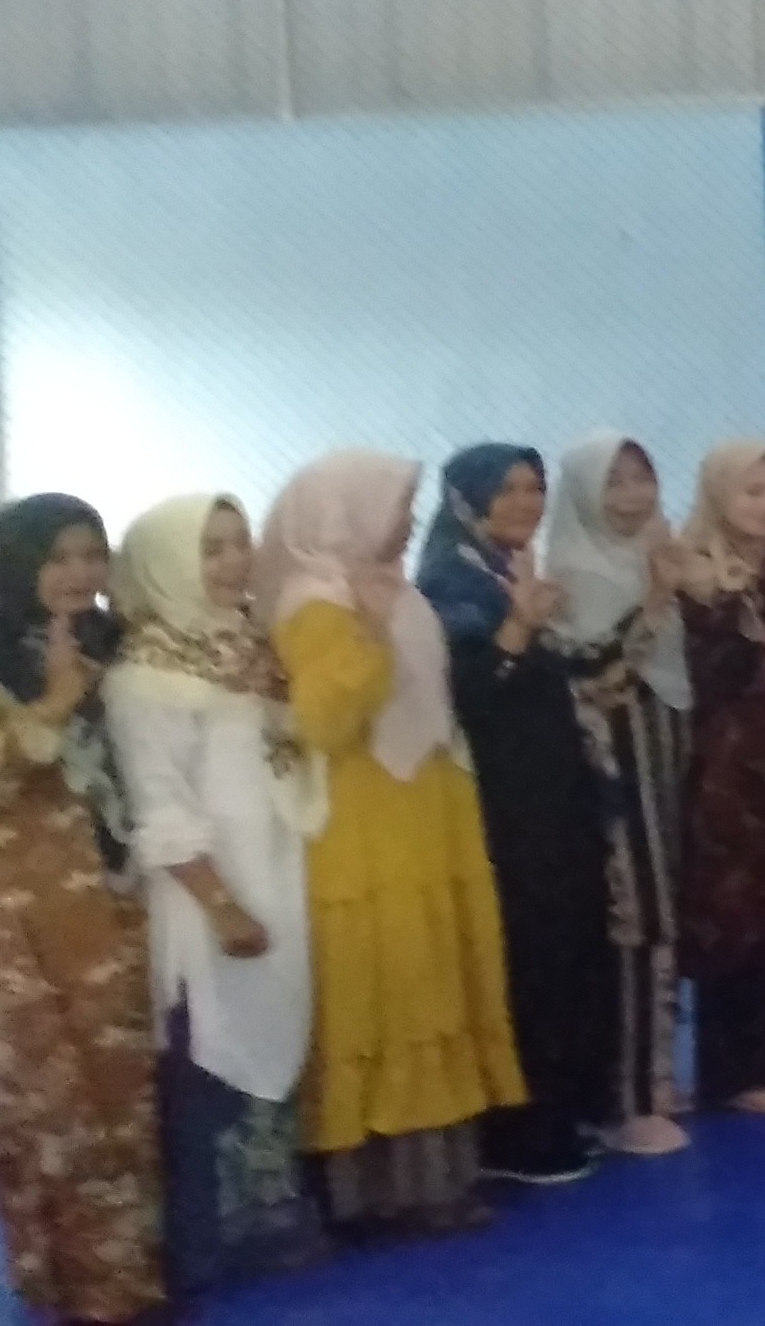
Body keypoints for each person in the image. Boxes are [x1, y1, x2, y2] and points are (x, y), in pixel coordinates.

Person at [260, 452, 522, 1237]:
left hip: (427, 807)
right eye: (393, 507)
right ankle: (384, 1190)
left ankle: (440, 1175)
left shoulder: (392, 588)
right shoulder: (314, 603)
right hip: (367, 823)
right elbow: (324, 721)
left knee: (434, 978)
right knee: (391, 988)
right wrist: (368, 632)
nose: (407, 522)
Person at [105, 494, 328, 1293]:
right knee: (209, 1049)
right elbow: (159, 805)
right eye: (211, 549)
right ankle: (208, 1248)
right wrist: (222, 904)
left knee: (276, 1030)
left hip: (278, 869)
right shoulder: (143, 678)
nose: (234, 563)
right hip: (209, 894)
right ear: (167, 564)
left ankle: (273, 1222)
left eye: (239, 544)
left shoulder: (250, 646)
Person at [0, 498, 164, 1322]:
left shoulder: (114, 642)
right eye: (58, 558)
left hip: (108, 893)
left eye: (92, 555)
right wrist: (53, 701)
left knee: (121, 1081)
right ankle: (67, 1276)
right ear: (20, 564)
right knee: (45, 1087)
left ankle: (126, 1275)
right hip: (11, 905)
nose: (80, 574)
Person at [423, 444, 615, 1182]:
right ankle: (521, 1133)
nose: (525, 503)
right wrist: (518, 628)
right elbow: (467, 693)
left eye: (534, 488)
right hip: (505, 797)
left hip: (550, 787)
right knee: (529, 951)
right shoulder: (449, 581)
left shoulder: (502, 569)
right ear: (465, 498)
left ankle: (562, 1107)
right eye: (505, 490)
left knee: (566, 944)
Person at [534, 434, 695, 1157]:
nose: (633, 496)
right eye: (615, 482)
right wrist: (656, 600)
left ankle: (652, 1079)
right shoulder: (575, 570)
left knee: (661, 912)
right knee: (636, 915)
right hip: (615, 761)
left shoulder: (648, 553)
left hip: (660, 746)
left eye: (643, 478)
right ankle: (626, 1101)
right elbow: (595, 677)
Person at [672, 441, 765, 1114]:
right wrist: (731, 608)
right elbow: (702, 672)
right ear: (718, 492)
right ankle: (735, 1072)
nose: (764, 506)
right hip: (718, 760)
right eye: (750, 492)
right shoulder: (690, 565)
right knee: (730, 904)